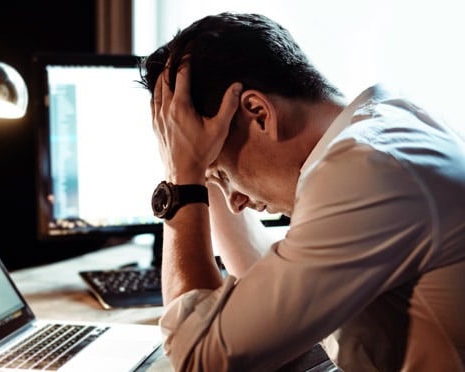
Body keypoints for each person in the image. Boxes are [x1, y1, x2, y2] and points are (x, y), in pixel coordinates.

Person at [140, 12, 465, 371]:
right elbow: (272, 295)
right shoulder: (386, 122)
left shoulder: (365, 173)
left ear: (259, 113)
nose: (236, 202)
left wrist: (181, 179)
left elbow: (200, 358)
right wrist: (198, 166)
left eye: (224, 173)